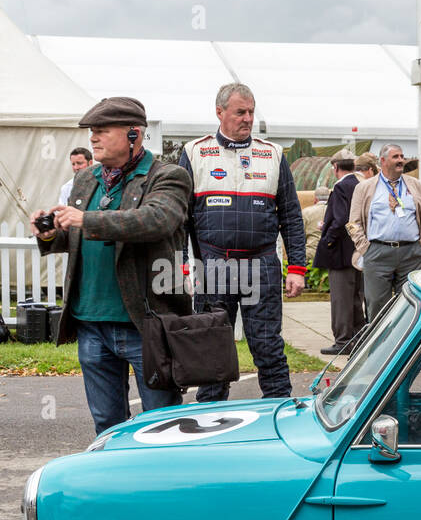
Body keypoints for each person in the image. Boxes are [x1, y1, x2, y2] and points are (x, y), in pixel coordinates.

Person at [31, 98, 191, 434]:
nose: (93, 138)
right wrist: (49, 234)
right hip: (91, 322)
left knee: (161, 423)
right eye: (92, 132)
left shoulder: (168, 176)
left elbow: (156, 220)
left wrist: (85, 218)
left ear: (134, 134)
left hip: (145, 323)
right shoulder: (86, 178)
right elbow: (73, 237)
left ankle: (163, 483)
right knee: (106, 423)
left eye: (102, 131)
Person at [179, 82, 305, 402]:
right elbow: (179, 218)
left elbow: (291, 215)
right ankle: (209, 420)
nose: (247, 118)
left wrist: (297, 268)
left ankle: (278, 411)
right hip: (213, 264)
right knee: (211, 347)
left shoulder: (272, 154)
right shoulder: (195, 152)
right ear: (220, 112)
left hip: (260, 264)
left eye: (251, 112)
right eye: (240, 112)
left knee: (268, 346)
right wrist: (183, 265)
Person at [348, 143, 421, 320]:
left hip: (412, 254)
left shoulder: (417, 186)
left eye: (402, 157)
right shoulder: (364, 188)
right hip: (377, 253)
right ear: (382, 160)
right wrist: (366, 248)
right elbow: (353, 223)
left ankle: (408, 347)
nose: (401, 160)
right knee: (377, 304)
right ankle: (379, 346)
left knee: (411, 305)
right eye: (396, 157)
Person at [315, 150, 365, 355]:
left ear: (335, 167)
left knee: (341, 300)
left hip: (341, 252)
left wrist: (328, 239)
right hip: (359, 250)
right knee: (355, 299)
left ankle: (343, 340)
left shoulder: (341, 187)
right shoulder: (361, 185)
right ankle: (359, 337)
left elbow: (341, 218)